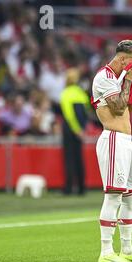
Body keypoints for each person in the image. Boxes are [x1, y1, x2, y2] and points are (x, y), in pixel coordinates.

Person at [91, 39, 132, 262]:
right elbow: (117, 107)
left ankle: (127, 249)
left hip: (126, 140)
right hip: (113, 138)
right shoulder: (103, 77)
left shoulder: (121, 78)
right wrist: (128, 77)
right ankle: (106, 252)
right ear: (123, 59)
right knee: (114, 195)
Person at [59, 68, 89, 196]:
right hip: (81, 129)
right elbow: (86, 111)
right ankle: (82, 188)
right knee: (79, 158)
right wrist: (82, 129)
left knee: (69, 159)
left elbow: (69, 114)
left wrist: (76, 129)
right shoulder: (81, 93)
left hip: (70, 129)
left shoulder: (65, 93)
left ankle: (69, 188)